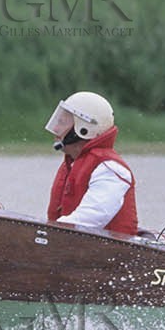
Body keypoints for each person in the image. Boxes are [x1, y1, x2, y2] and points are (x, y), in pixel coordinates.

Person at [44, 90, 139, 235]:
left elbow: (91, 217)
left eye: (62, 122)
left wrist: (47, 233)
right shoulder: (72, 164)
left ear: (83, 129)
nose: (56, 128)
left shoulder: (109, 168)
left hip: (110, 252)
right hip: (75, 248)